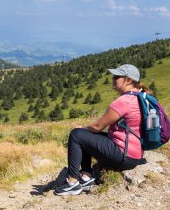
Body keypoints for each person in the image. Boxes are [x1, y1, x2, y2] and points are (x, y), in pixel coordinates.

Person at [54, 64, 150, 196]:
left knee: (77, 134)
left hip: (123, 155)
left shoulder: (124, 101)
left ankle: (72, 183)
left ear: (128, 80)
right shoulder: (140, 97)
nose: (113, 79)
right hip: (135, 154)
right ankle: (86, 177)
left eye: (117, 77)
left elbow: (98, 126)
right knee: (85, 135)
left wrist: (81, 129)